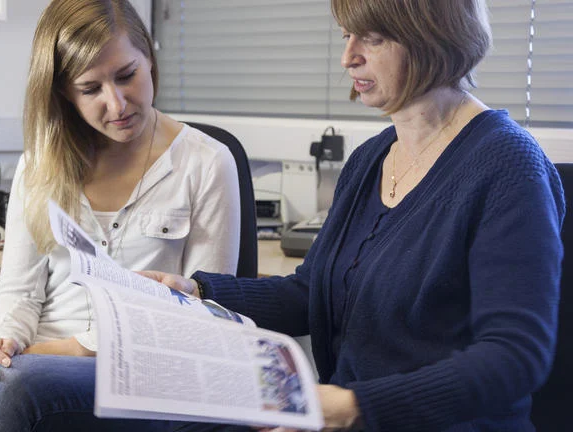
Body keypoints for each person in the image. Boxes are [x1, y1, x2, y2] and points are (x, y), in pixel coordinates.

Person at [144, 0, 563, 430]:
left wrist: (351, 406)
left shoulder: (510, 166)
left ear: (434, 37)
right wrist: (196, 292)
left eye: (373, 38)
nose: (349, 57)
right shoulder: (371, 159)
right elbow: (313, 294)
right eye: (347, 36)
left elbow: (514, 357)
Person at [0, 0, 240, 430]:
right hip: (33, 365)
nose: (117, 104)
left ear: (149, 58)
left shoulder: (207, 162)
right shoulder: (39, 162)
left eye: (127, 75)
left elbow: (204, 314)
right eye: (91, 89)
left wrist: (63, 352)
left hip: (142, 375)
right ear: (63, 94)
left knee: (10, 386)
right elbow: (18, 290)